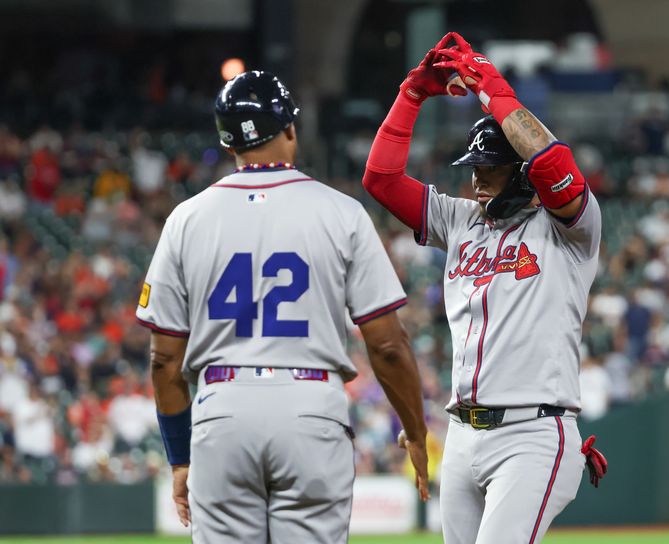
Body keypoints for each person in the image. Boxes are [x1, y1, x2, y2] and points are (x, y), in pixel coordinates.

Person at [136, 70, 429, 543]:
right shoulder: (341, 211)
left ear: (229, 143)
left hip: (221, 407)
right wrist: (415, 431)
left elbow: (163, 358)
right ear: (291, 128)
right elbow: (389, 345)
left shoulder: (185, 219)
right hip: (312, 407)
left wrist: (180, 458)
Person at [363, 33, 607, 543]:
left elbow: (552, 165)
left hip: (533, 432)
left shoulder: (571, 229)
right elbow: (381, 179)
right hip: (463, 433)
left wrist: (491, 86)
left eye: (490, 168)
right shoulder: (460, 221)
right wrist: (411, 94)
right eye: (474, 168)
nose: (477, 180)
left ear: (520, 173)